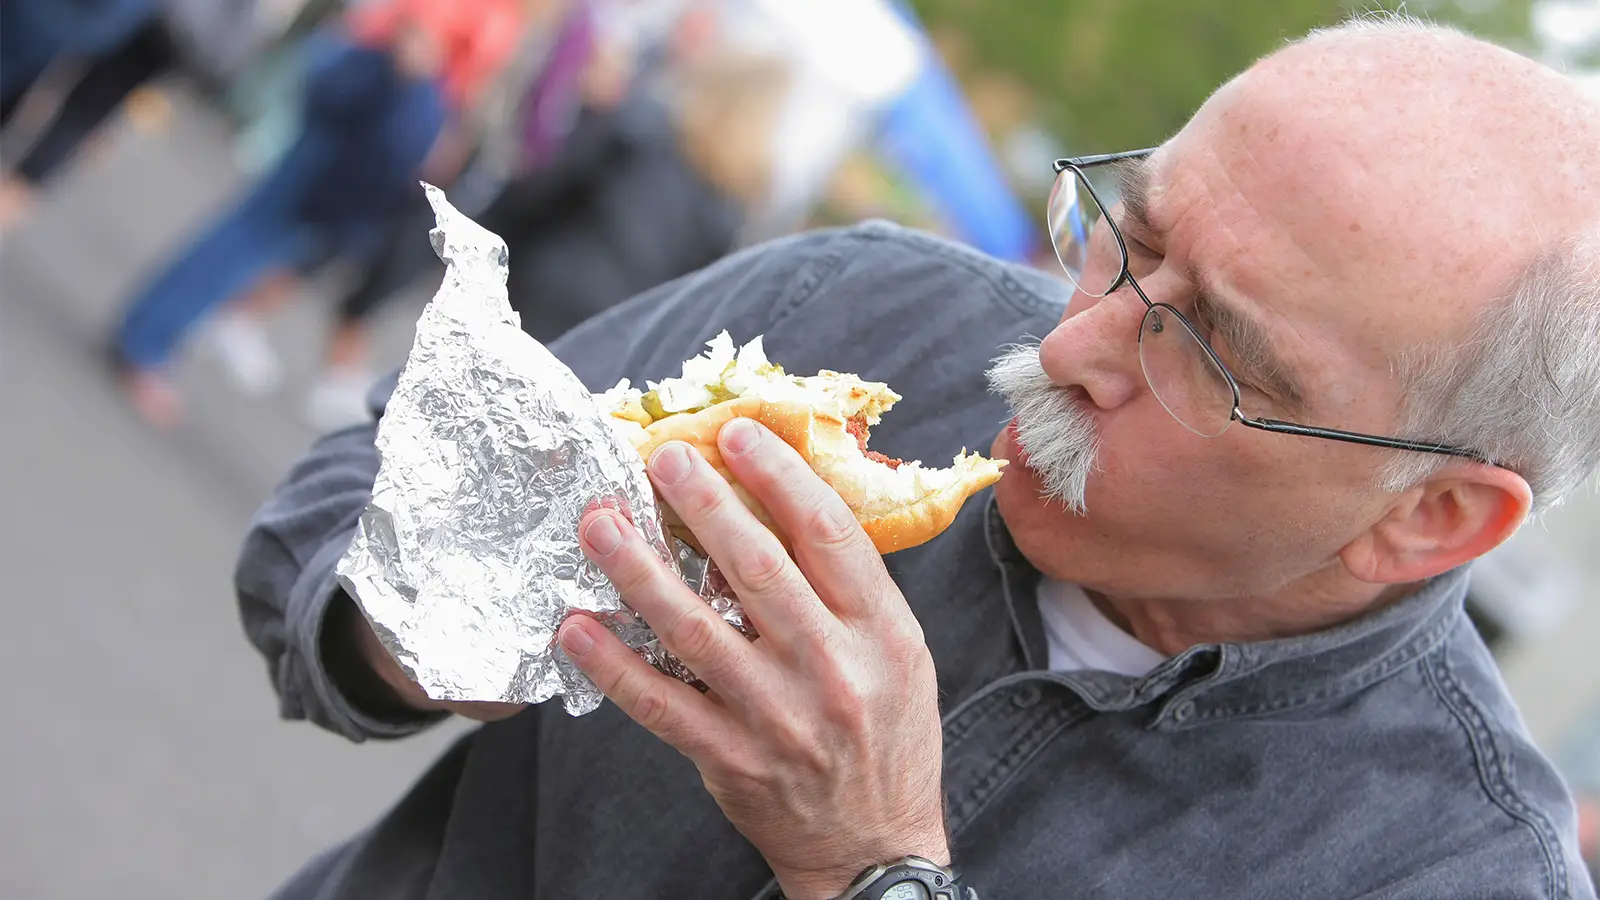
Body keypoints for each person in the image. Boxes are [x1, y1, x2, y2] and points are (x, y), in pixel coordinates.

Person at [236, 16, 1600, 899]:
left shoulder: (1444, 868)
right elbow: (328, 522)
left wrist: (872, 867)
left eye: (1214, 347)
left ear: (1427, 519)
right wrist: (429, 624)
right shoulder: (871, 306)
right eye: (1134, 228)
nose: (1078, 345)